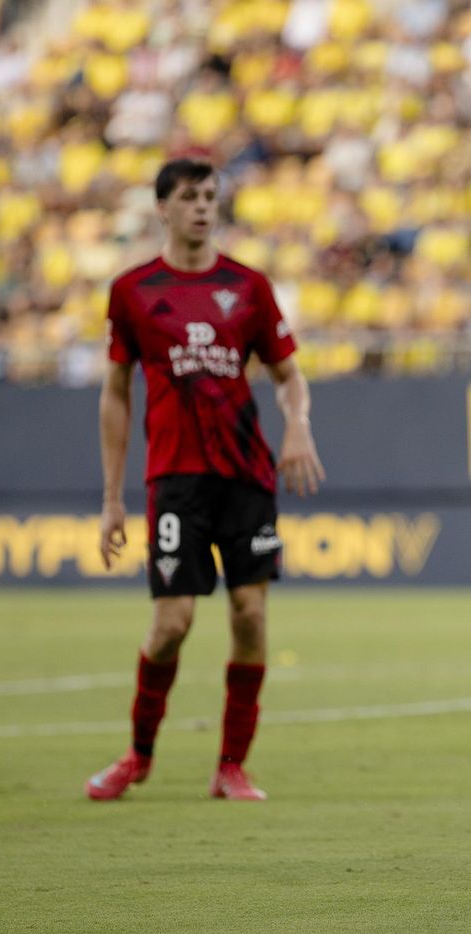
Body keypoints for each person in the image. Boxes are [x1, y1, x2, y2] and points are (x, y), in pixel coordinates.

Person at [84, 158, 325, 801]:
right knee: (172, 624)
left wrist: (297, 425)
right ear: (162, 206)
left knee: (250, 613)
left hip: (245, 473)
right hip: (176, 478)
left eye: (211, 197)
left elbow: (289, 374)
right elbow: (114, 393)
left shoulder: (248, 286)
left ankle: (230, 766)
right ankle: (137, 756)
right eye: (189, 197)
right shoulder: (132, 290)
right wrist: (112, 498)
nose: (202, 207)